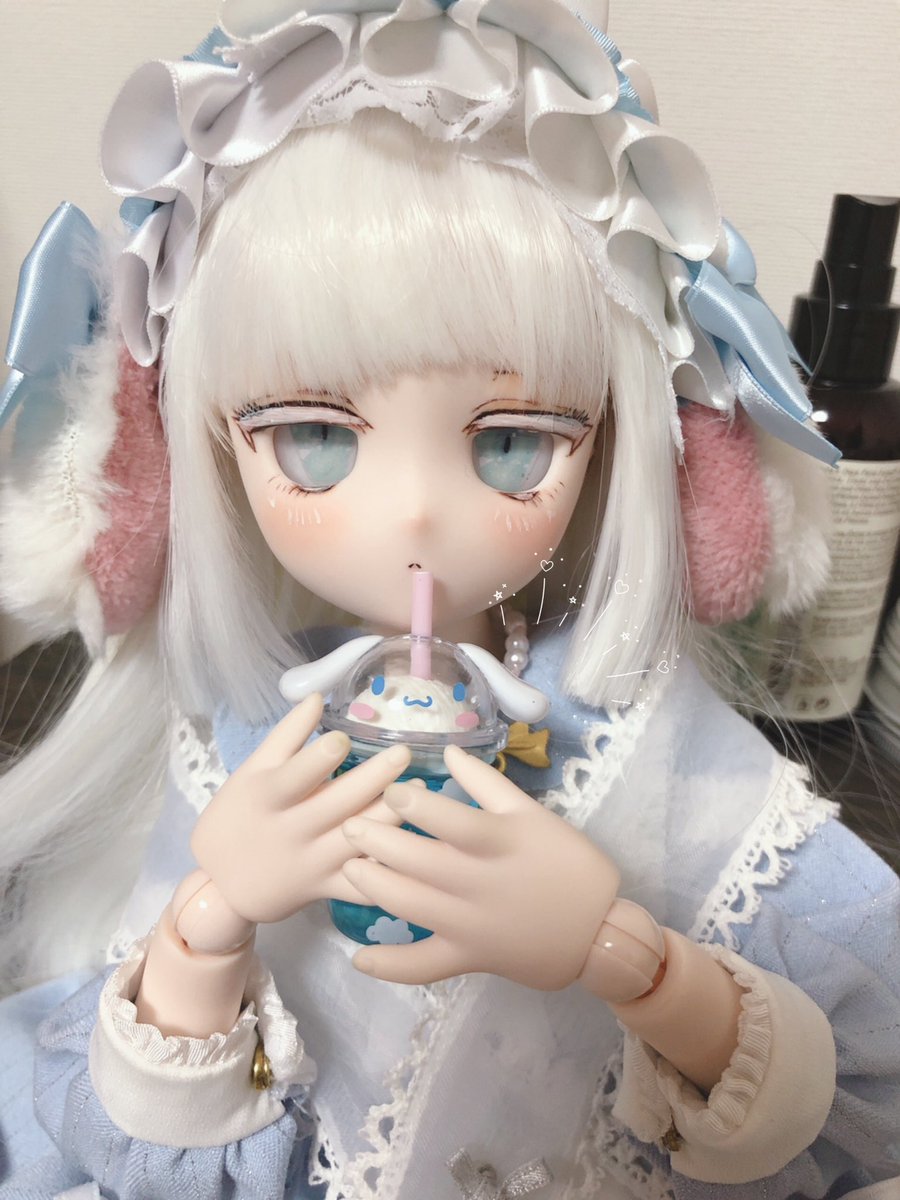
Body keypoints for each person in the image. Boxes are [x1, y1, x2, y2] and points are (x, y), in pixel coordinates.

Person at [0, 3, 898, 1198]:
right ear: (201, 454)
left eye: (512, 444)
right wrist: (210, 921)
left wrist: (627, 957)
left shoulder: (640, 740)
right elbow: (149, 1139)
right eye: (316, 439)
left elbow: (855, 1082)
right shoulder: (250, 732)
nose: (417, 516)